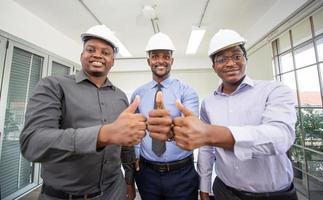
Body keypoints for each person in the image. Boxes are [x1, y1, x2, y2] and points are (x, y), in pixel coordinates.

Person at [20, 24, 146, 200]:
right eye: (91, 49)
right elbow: (33, 143)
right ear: (82, 55)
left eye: (105, 52)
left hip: (114, 191)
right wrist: (101, 135)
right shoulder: (53, 86)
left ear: (112, 61)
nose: (97, 55)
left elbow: (126, 146)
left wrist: (129, 181)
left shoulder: (121, 97)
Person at [172, 29, 298, 200]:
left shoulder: (275, 90)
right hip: (224, 191)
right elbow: (207, 149)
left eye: (236, 56)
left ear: (246, 59)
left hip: (274, 195)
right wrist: (204, 188)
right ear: (214, 66)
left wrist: (210, 133)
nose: (230, 63)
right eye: (222, 59)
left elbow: (281, 137)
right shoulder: (208, 103)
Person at [131, 32, 199, 200]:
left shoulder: (187, 92)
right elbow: (136, 131)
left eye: (165, 56)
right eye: (155, 56)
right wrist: (137, 155)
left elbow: (191, 127)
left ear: (172, 61)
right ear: (149, 61)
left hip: (181, 174)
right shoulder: (138, 94)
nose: (160, 61)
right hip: (147, 174)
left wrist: (171, 129)